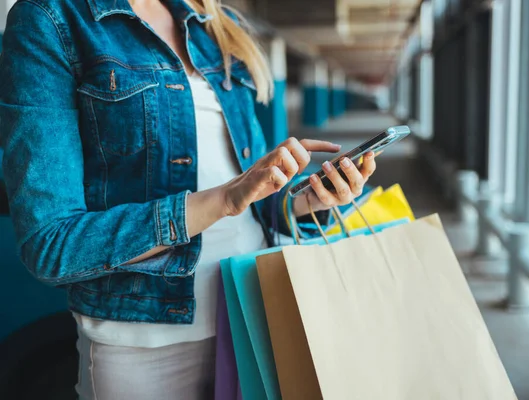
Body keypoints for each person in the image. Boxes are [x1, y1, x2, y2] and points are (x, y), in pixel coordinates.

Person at [0, 0, 376, 398]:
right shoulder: (51, 18)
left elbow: (254, 202)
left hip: (256, 315)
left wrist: (306, 201)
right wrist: (221, 201)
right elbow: (50, 244)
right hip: (144, 349)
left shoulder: (217, 23)